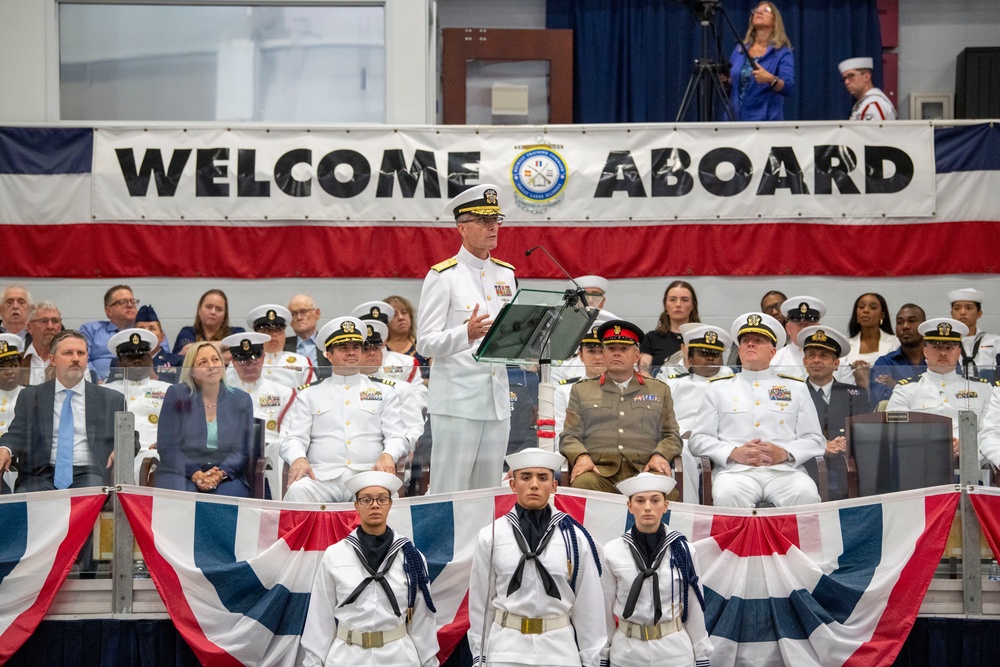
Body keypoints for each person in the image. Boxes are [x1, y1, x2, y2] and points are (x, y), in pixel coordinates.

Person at [416, 183, 516, 493]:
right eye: (483, 221)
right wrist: (464, 334)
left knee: (488, 492)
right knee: (450, 489)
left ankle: (484, 544)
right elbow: (424, 343)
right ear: (462, 228)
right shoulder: (443, 276)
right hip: (458, 401)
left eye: (495, 220)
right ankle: (443, 545)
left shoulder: (506, 274)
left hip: (497, 399)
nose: (492, 227)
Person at [468, 448, 608, 667]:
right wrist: (480, 656)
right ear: (513, 484)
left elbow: (589, 605)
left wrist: (592, 660)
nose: (534, 484)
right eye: (526, 477)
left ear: (554, 486)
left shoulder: (574, 538)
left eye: (543, 478)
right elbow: (480, 604)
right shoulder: (491, 536)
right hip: (506, 648)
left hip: (559, 648)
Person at [300, 470, 439, 667]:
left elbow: (422, 619)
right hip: (347, 657)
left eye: (382, 499)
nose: (375, 505)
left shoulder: (411, 558)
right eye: (366, 499)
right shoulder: (334, 555)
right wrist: (314, 662)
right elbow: (319, 617)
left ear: (390, 503)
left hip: (399, 657)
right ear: (356, 505)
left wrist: (429, 662)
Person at [688, 313, 825, 508]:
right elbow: (698, 439)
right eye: (745, 341)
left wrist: (785, 453)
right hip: (735, 472)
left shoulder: (796, 388)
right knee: (726, 495)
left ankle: (795, 541)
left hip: (784, 471)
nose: (750, 344)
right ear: (740, 350)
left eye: (758, 340)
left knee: (806, 493)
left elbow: (815, 439)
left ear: (773, 351)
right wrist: (733, 452)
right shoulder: (718, 388)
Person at [279, 317, 410, 503]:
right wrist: (298, 458)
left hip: (367, 475)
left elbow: (398, 437)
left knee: (381, 494)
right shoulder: (310, 393)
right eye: (343, 348)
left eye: (356, 347)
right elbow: (293, 438)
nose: (351, 352)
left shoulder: (384, 391)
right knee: (298, 490)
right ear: (328, 355)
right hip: (320, 478)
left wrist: (388, 455)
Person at [602, 473, 712, 667]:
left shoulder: (683, 550)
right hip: (627, 652)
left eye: (655, 500)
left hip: (674, 651)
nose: (647, 507)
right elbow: (605, 607)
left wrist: (701, 655)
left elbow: (694, 605)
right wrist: (603, 654)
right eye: (640, 500)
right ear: (629, 506)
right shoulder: (612, 551)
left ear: (665, 505)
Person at [560, 320, 682, 495]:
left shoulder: (659, 389)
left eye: (624, 349)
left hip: (644, 471)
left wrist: (660, 455)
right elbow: (569, 436)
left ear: (637, 355)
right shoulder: (582, 390)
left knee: (662, 489)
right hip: (599, 473)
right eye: (611, 349)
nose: (616, 353)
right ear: (603, 354)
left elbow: (672, 435)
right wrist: (581, 456)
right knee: (582, 484)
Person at [0, 330, 119, 491]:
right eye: (68, 353)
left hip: (90, 474)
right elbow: (17, 433)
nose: (76, 359)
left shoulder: (110, 398)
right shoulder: (31, 396)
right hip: (39, 475)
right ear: (53, 360)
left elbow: (130, 436)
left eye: (81, 353)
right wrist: (5, 449)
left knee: (91, 494)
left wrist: (120, 450)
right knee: (30, 499)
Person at [154, 341, 254, 496]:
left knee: (228, 497)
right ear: (192, 371)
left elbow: (241, 451)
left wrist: (219, 474)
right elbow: (168, 447)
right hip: (180, 471)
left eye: (215, 360)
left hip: (225, 473)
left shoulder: (240, 399)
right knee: (180, 494)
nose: (211, 366)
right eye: (203, 362)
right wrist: (196, 474)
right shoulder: (177, 395)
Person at [659, 324, 733, 504]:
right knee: (682, 452)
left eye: (715, 354)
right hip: (686, 440)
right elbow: (663, 422)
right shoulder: (674, 385)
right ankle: (689, 509)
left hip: (722, 440)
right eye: (703, 352)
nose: (710, 358)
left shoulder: (733, 382)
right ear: (690, 358)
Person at [887, 318, 993, 442]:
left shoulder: (982, 389)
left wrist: (966, 446)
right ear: (925, 352)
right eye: (937, 347)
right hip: (923, 456)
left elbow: (991, 431)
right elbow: (895, 430)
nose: (943, 353)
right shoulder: (905, 389)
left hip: (971, 458)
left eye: (949, 348)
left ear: (958, 353)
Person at [798, 326, 869, 501]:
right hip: (807, 466)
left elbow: (863, 433)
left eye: (823, 356)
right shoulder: (794, 393)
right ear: (804, 361)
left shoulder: (855, 394)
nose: (816, 360)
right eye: (811, 355)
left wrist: (841, 443)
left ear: (836, 364)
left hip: (847, 465)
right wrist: (823, 445)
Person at [221, 331, 295, 499]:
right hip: (230, 454)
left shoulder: (284, 393)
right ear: (233, 361)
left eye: (254, 359)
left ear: (263, 357)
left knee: (281, 448)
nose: (249, 365)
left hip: (270, 455)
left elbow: (286, 434)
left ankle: (279, 508)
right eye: (242, 359)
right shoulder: (221, 393)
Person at [102, 328, 173, 483]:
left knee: (152, 463)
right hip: (120, 453)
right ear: (120, 363)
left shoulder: (168, 389)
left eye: (141, 355)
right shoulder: (106, 391)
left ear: (151, 359)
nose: (137, 360)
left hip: (159, 451)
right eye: (130, 356)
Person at [728, 2, 794, 121]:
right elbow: (732, 83)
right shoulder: (740, 49)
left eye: (766, 10)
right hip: (734, 120)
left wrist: (770, 79)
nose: (759, 12)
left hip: (765, 122)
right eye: (756, 10)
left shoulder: (782, 52)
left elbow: (788, 88)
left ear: (775, 21)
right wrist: (725, 79)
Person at [772, 296, 854, 385]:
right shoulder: (774, 359)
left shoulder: (839, 360)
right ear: (787, 328)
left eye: (809, 324)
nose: (804, 329)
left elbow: (847, 394)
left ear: (819, 327)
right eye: (800, 324)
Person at [868, 304, 927, 409]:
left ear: (924, 327)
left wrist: (896, 386)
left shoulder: (940, 360)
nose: (905, 326)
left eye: (912, 321)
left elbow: (949, 393)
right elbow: (881, 398)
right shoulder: (885, 363)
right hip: (896, 421)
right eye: (899, 322)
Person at [553, 324, 606, 440]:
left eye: (602, 351)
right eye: (591, 351)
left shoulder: (624, 388)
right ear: (581, 355)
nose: (597, 357)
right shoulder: (565, 390)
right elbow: (559, 433)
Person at [246, 304, 314, 390]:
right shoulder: (243, 362)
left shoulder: (302, 362)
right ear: (257, 335)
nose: (274, 334)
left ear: (285, 334)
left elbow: (311, 394)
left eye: (278, 330)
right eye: (267, 330)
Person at [80, 284, 138, 381]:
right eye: (122, 302)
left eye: (132, 301)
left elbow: (160, 361)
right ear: (109, 311)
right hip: (99, 387)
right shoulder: (90, 330)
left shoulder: (147, 331)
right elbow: (82, 359)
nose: (130, 305)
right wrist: (96, 381)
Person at [640, 280, 699, 376]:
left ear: (693, 305)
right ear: (665, 305)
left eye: (684, 300)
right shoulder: (651, 338)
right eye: (672, 299)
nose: (678, 304)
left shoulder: (702, 338)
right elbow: (644, 373)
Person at [845, 292, 899, 390]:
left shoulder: (896, 343)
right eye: (861, 307)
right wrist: (853, 369)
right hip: (853, 398)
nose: (866, 310)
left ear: (882, 315)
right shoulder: (846, 346)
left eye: (873, 307)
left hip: (887, 397)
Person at [172, 289, 244, 356]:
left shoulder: (236, 333)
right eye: (208, 307)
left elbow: (239, 354)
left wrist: (198, 356)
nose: (213, 312)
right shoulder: (188, 332)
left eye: (219, 309)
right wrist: (226, 345)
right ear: (199, 311)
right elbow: (186, 351)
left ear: (224, 315)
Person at [948, 288, 1000, 379]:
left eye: (969, 308)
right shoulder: (945, 343)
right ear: (952, 313)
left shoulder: (996, 341)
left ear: (979, 313)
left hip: (990, 390)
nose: (962, 312)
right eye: (957, 308)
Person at [0, 334, 26, 492]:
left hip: (21, 461)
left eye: (14, 365)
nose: (9, 371)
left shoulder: (32, 395)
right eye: (2, 367)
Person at [131, 304, 183, 383]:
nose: (147, 332)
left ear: (162, 336)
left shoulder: (178, 361)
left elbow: (182, 389)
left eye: (152, 328)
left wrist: (155, 378)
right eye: (141, 328)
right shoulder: (120, 363)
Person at [285, 294, 331, 376]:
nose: (299, 317)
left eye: (303, 312)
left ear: (317, 313)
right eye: (294, 314)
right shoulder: (283, 347)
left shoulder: (330, 344)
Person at [839, 56, 897, 121]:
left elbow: (876, 131)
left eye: (851, 76)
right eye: (844, 79)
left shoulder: (873, 104)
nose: (846, 82)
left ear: (866, 77)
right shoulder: (867, 103)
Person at [21, 301, 63, 385]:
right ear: (29, 327)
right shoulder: (18, 362)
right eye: (44, 321)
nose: (50, 327)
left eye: (55, 321)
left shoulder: (69, 361)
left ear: (60, 327)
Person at [383, 295, 429, 370]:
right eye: (395, 315)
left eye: (404, 312)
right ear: (385, 321)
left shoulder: (424, 346)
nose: (401, 318)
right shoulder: (379, 349)